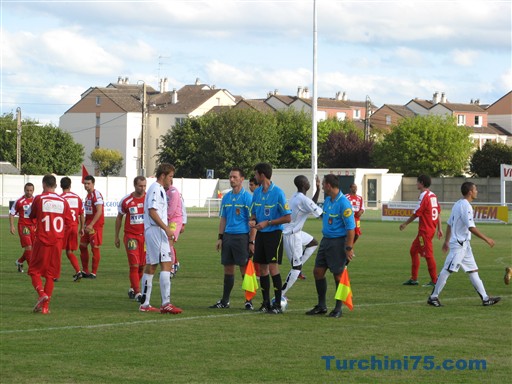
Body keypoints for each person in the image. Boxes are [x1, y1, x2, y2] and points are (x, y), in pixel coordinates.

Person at [428, 181, 501, 307]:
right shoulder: (466, 206)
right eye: (475, 189)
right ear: (470, 192)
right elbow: (471, 227)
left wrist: (446, 241)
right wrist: (487, 239)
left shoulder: (457, 204)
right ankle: (433, 297)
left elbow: (450, 223)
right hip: (459, 245)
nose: (477, 191)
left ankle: (485, 298)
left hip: (465, 245)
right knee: (447, 270)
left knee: (473, 271)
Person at [306, 174, 355, 318]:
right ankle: (321, 306)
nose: (322, 188)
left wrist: (349, 248)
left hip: (338, 242)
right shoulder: (328, 200)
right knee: (318, 272)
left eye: (323, 185)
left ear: (328, 185)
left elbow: (351, 228)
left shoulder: (344, 203)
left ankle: (338, 308)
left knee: (338, 275)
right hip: (326, 241)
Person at [210, 167, 256, 310]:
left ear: (242, 179)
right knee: (228, 269)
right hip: (228, 237)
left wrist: (251, 241)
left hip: (242, 237)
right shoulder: (227, 197)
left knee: (244, 269)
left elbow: (253, 221)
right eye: (230, 177)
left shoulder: (248, 198)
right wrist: (220, 237)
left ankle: (249, 301)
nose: (231, 179)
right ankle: (225, 301)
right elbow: (223, 218)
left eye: (235, 177)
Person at [139, 163, 182, 314]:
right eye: (170, 176)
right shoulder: (156, 189)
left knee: (154, 265)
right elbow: (152, 211)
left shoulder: (159, 190)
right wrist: (166, 229)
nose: (171, 180)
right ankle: (164, 303)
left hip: (156, 230)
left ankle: (146, 303)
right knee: (164, 264)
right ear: (163, 175)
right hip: (156, 230)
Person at [249, 162, 291, 314]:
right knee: (262, 268)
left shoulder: (278, 193)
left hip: (274, 234)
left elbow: (288, 218)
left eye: (256, 174)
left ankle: (278, 305)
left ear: (262, 175)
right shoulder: (257, 193)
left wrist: (269, 223)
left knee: (273, 267)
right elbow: (254, 212)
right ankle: (266, 302)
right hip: (261, 234)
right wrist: (253, 220)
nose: (254, 177)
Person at [28, 174, 72, 314]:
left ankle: (41, 294)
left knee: (34, 271)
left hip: (42, 239)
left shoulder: (39, 198)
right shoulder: (63, 201)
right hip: (57, 242)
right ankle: (45, 307)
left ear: (43, 185)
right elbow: (69, 223)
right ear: (55, 186)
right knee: (50, 275)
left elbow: (31, 215)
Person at [281, 175, 322, 299]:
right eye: (308, 181)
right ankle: (280, 294)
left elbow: (311, 204)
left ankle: (298, 267)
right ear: (304, 185)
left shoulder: (297, 196)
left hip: (296, 232)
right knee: (296, 268)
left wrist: (318, 188)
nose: (309, 183)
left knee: (313, 243)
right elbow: (321, 214)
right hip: (291, 235)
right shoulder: (302, 199)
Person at [399, 174, 442, 287]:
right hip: (430, 229)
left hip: (425, 231)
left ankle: (435, 281)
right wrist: (439, 228)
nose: (416, 184)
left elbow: (417, 213)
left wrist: (405, 224)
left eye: (417, 182)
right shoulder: (433, 195)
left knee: (428, 255)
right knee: (413, 251)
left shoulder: (424, 195)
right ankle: (414, 279)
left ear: (422, 183)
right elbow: (438, 212)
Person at [115, 176, 147, 302]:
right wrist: (116, 236)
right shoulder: (126, 200)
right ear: (135, 185)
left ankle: (132, 288)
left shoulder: (149, 198)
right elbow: (119, 218)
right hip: (131, 237)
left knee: (142, 266)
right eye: (140, 186)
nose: (143, 188)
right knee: (134, 265)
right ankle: (138, 293)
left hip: (145, 237)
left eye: (144, 186)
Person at [79, 175, 105, 278]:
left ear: (93, 184)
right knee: (82, 246)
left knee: (95, 248)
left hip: (95, 226)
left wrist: (91, 224)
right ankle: (85, 270)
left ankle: (93, 272)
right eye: (85, 183)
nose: (86, 185)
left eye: (88, 183)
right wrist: (84, 225)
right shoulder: (87, 196)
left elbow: (99, 211)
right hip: (88, 224)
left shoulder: (96, 194)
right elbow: (88, 212)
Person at [60, 177, 85, 282]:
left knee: (57, 250)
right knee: (69, 251)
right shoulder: (77, 198)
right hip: (74, 227)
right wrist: (82, 227)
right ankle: (78, 271)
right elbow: (81, 214)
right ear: (70, 185)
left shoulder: (60, 198)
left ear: (61, 186)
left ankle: (54, 274)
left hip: (64, 227)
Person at [9, 182, 36, 273]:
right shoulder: (19, 201)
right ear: (24, 190)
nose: (29, 192)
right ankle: (32, 269)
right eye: (27, 190)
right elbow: (12, 214)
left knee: (32, 249)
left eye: (31, 190)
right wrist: (12, 226)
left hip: (34, 227)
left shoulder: (36, 200)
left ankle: (19, 262)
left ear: (33, 191)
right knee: (28, 247)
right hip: (24, 226)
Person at [166, 179, 185, 278]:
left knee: (169, 243)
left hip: (174, 220)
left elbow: (173, 209)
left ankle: (172, 267)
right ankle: (174, 263)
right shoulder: (164, 191)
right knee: (167, 244)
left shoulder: (173, 192)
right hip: (169, 220)